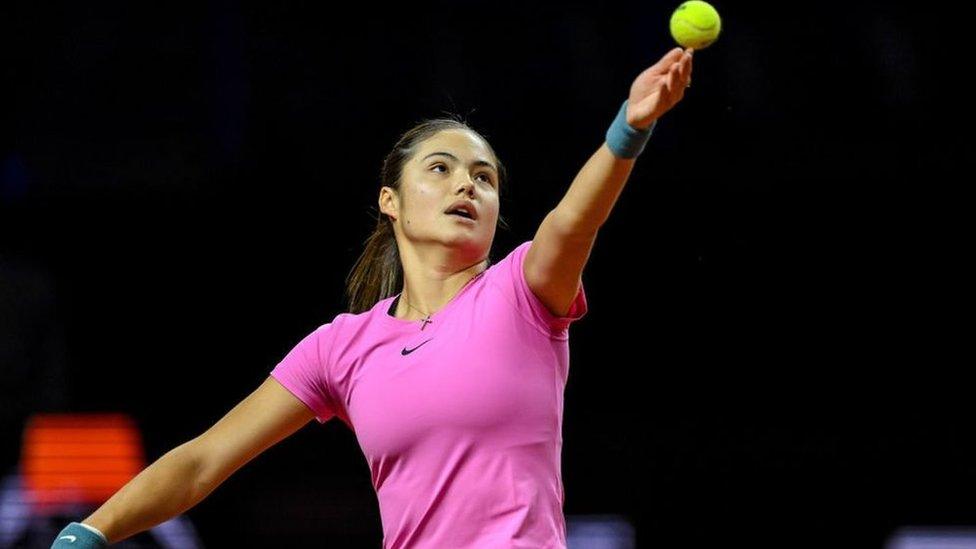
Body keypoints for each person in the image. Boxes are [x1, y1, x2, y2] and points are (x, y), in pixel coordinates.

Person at [52, 47, 693, 548]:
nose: (465, 185)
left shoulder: (524, 291)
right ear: (390, 201)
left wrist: (627, 131)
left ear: (498, 214)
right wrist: (90, 531)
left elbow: (573, 221)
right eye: (440, 168)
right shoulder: (342, 346)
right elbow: (202, 461)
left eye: (484, 177)